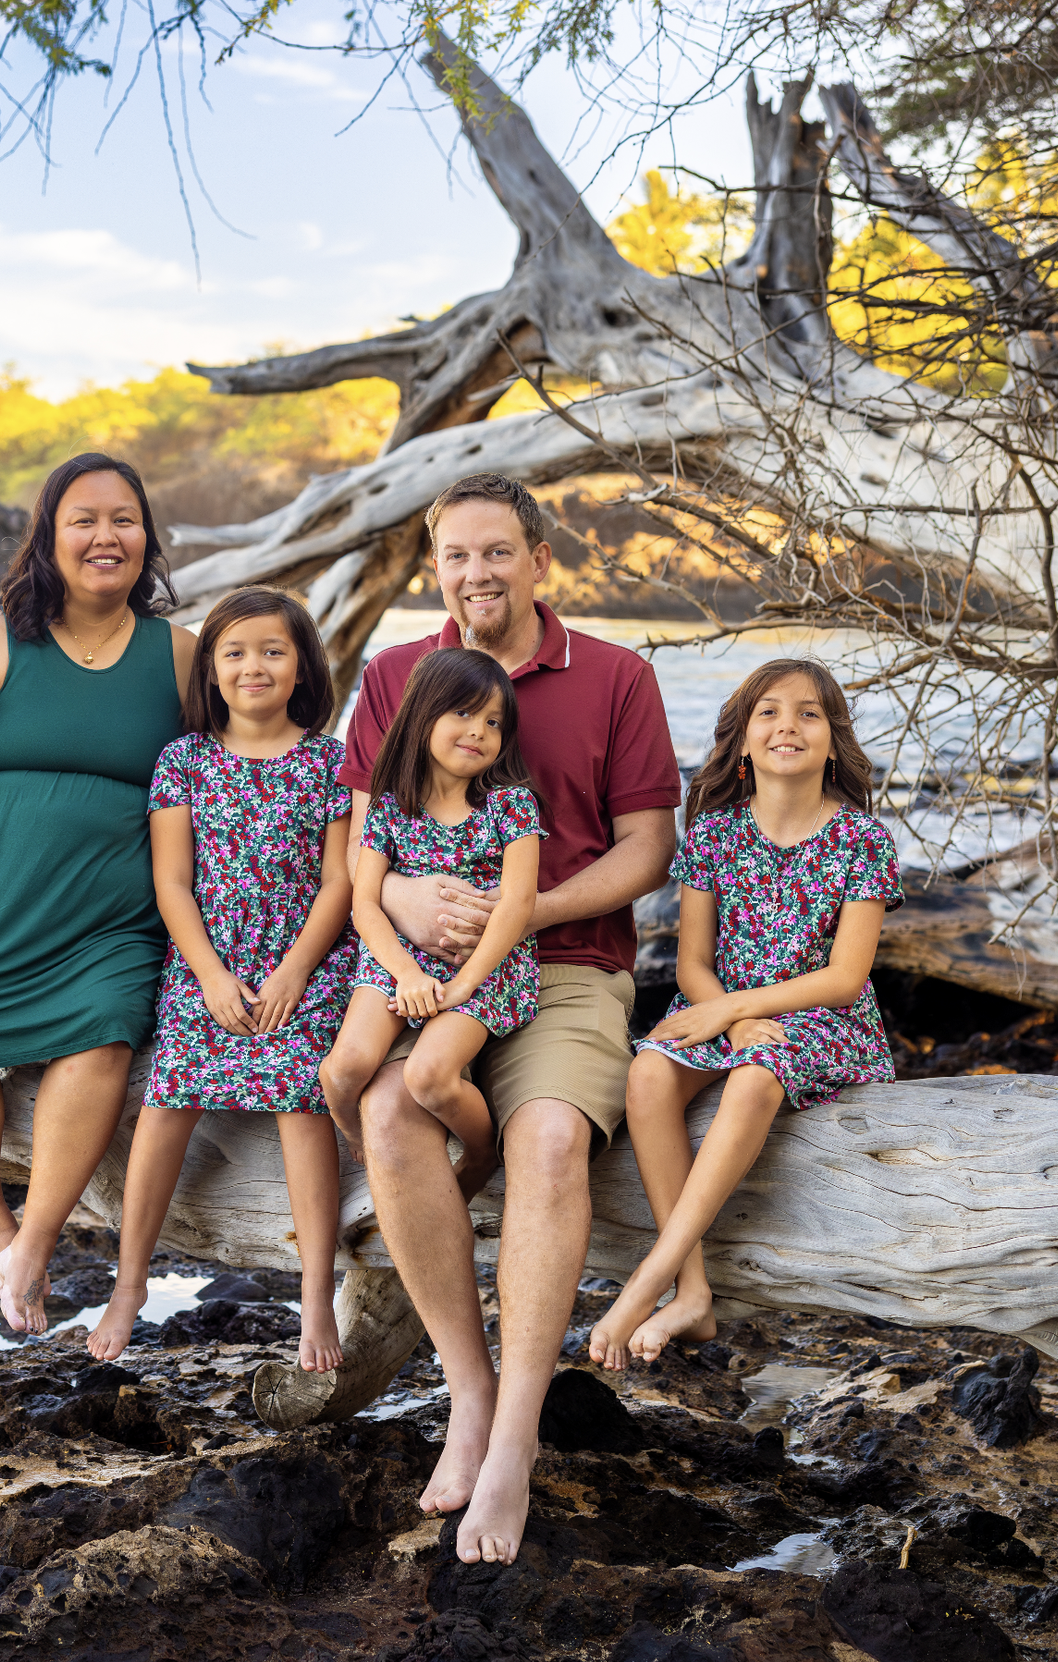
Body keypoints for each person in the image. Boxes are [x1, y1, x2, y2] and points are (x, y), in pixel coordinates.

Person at [340, 472, 680, 1567]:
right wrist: (405, 905)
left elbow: (648, 850)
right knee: (387, 1112)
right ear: (434, 569)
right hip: (430, 970)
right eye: (455, 556)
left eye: (497, 552)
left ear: (539, 560)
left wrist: (525, 908)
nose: (475, 574)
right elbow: (362, 846)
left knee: (547, 1139)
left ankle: (518, 1436)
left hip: (568, 967)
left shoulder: (617, 676)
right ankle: (470, 1394)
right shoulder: (395, 675)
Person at [0, 452, 196, 1335]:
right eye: (83, 520)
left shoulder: (179, 656)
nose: (106, 536)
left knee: (104, 1032)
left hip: (110, 925)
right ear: (49, 538)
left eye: (124, 519)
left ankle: (37, 1241)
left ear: (147, 538)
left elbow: (246, 762)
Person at [590, 659, 900, 1368]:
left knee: (757, 1074)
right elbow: (692, 964)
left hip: (822, 1019)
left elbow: (845, 979)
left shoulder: (862, 840)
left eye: (808, 713)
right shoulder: (714, 835)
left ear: (834, 742)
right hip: (718, 1007)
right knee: (648, 1074)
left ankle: (650, 1277)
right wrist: (728, 1018)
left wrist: (741, 1014)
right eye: (769, 712)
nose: (788, 725)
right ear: (742, 743)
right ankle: (692, 1289)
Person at [86, 587, 357, 1371]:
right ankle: (128, 1285)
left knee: (300, 1099)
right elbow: (172, 882)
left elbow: (339, 883)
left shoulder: (330, 761)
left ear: (302, 665)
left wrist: (294, 972)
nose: (253, 666)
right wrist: (208, 975)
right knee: (167, 1099)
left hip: (303, 964)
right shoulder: (185, 761)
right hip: (208, 964)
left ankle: (315, 1295)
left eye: (273, 650)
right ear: (210, 668)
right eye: (234, 652)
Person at [321, 648, 542, 1202]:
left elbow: (517, 906)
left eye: (494, 722)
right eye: (463, 713)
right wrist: (405, 974)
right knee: (342, 1072)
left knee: (429, 1078)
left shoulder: (512, 806)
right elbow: (365, 905)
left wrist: (464, 984)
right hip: (398, 959)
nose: (480, 731)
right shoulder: (391, 805)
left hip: (486, 966)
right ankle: (358, 1141)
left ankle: (483, 1150)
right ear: (423, 715)